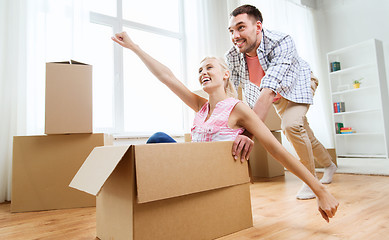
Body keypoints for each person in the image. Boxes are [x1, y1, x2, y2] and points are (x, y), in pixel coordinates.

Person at [111, 31, 338, 222]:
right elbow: (167, 77)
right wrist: (134, 47)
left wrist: (319, 190)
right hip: (192, 170)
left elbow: (276, 150)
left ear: (225, 74)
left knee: (159, 139)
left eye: (209, 67)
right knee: (157, 140)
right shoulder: (200, 106)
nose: (203, 73)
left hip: (213, 178)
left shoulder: (237, 108)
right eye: (199, 71)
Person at [226, 4, 338, 200]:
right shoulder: (233, 55)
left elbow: (269, 88)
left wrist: (249, 133)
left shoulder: (281, 41)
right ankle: (329, 165)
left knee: (291, 125)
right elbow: (233, 93)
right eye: (232, 30)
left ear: (258, 27)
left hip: (299, 84)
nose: (235, 35)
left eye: (241, 27)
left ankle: (311, 181)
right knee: (304, 134)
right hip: (279, 95)